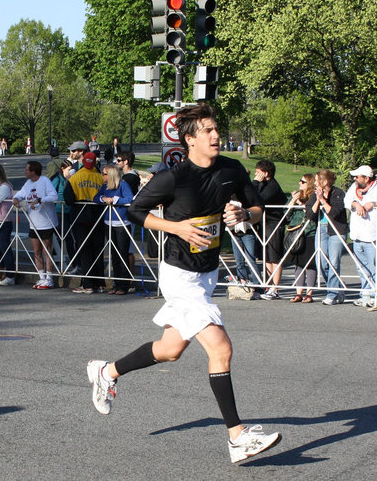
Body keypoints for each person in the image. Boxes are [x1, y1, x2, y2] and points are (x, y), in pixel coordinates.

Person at [86, 103, 280, 464]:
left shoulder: (231, 169)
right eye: (207, 130)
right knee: (220, 349)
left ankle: (106, 371)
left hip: (207, 275)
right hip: (179, 275)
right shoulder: (174, 177)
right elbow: (135, 211)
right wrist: (175, 227)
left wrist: (243, 214)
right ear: (190, 139)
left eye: (216, 128)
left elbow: (258, 209)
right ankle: (237, 437)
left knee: (171, 349)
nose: (216, 134)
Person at [344, 165, 377, 307]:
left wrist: (373, 204)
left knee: (374, 267)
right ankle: (365, 294)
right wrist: (355, 203)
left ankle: (376, 294)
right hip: (357, 234)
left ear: (366, 178)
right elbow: (346, 200)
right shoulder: (353, 189)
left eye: (357, 176)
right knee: (361, 267)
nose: (354, 179)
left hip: (373, 235)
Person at [12, 161, 59, 289]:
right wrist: (16, 198)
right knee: (36, 251)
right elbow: (21, 193)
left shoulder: (44, 181)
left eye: (27, 169)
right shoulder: (28, 183)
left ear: (33, 171)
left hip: (46, 222)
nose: (25, 171)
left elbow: (54, 196)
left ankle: (49, 278)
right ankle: (41, 277)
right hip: (33, 223)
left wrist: (40, 200)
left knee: (47, 251)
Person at [306, 169, 348, 306]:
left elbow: (334, 213)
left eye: (317, 180)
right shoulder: (315, 194)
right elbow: (310, 214)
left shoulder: (338, 193)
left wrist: (323, 200)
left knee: (333, 262)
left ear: (324, 182)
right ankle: (337, 288)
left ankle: (332, 293)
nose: (315, 183)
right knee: (321, 262)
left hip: (336, 230)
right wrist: (317, 200)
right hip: (321, 228)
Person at [65, 151, 105, 291]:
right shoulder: (100, 178)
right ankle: (99, 283)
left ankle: (87, 284)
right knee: (98, 250)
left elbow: (68, 199)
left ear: (83, 161)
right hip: (98, 217)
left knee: (84, 251)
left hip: (80, 216)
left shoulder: (75, 178)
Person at [94, 165, 134, 295]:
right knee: (114, 255)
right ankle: (116, 284)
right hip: (109, 223)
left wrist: (115, 200)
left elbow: (130, 199)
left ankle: (124, 285)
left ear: (110, 175)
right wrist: (103, 199)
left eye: (104, 174)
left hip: (122, 224)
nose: (102, 176)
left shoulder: (123, 185)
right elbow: (95, 198)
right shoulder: (105, 187)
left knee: (122, 254)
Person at [253, 160, 288, 300]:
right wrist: (256, 182)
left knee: (274, 258)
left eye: (258, 172)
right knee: (266, 257)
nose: (256, 175)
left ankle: (275, 288)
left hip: (273, 224)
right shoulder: (262, 185)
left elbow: (257, 198)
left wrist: (255, 182)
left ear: (266, 173)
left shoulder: (272, 186)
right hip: (264, 224)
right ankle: (267, 285)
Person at [287, 174, 316, 303]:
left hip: (309, 232)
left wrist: (303, 205)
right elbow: (286, 215)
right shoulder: (296, 195)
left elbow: (312, 214)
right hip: (295, 233)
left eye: (303, 181)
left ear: (309, 183)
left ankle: (309, 293)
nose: (299, 183)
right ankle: (298, 292)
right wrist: (293, 201)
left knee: (309, 263)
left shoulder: (314, 196)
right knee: (298, 264)